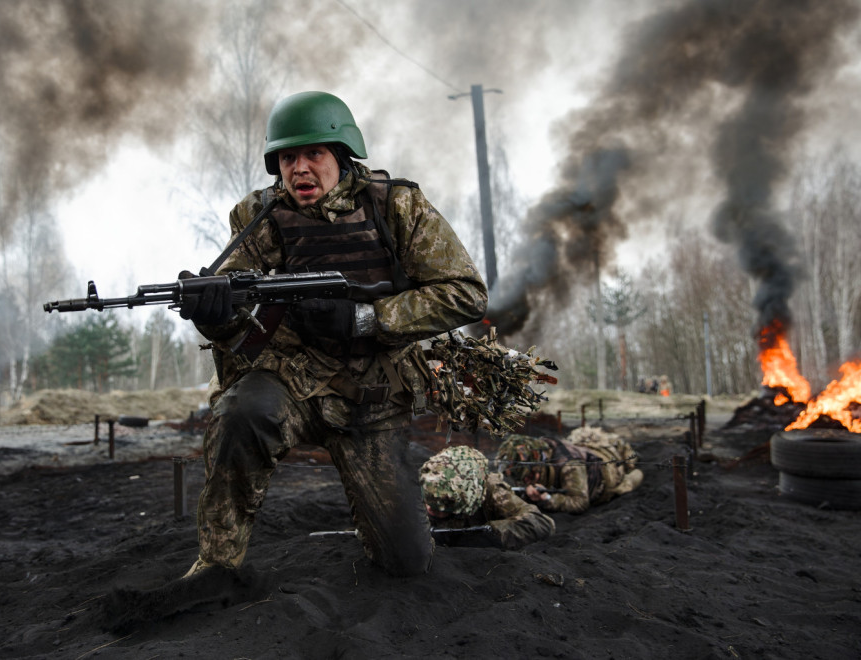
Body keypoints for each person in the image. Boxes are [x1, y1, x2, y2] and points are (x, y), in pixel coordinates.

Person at [177, 91, 488, 578]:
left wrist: (366, 319)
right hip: (289, 380)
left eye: (313, 154)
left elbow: (465, 293)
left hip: (372, 394)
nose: (300, 168)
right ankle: (216, 567)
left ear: (342, 155)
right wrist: (211, 315)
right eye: (287, 157)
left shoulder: (395, 205)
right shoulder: (258, 216)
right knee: (240, 411)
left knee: (406, 563)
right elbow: (237, 324)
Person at [419, 445, 554, 549]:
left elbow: (541, 523)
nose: (430, 509)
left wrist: (489, 534)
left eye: (443, 504)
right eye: (428, 501)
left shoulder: (490, 490)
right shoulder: (425, 483)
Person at [496, 426, 643, 514]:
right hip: (583, 450)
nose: (525, 481)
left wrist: (547, 499)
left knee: (630, 468)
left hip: (608, 471)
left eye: (528, 476)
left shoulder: (570, 465)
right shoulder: (537, 452)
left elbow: (580, 503)